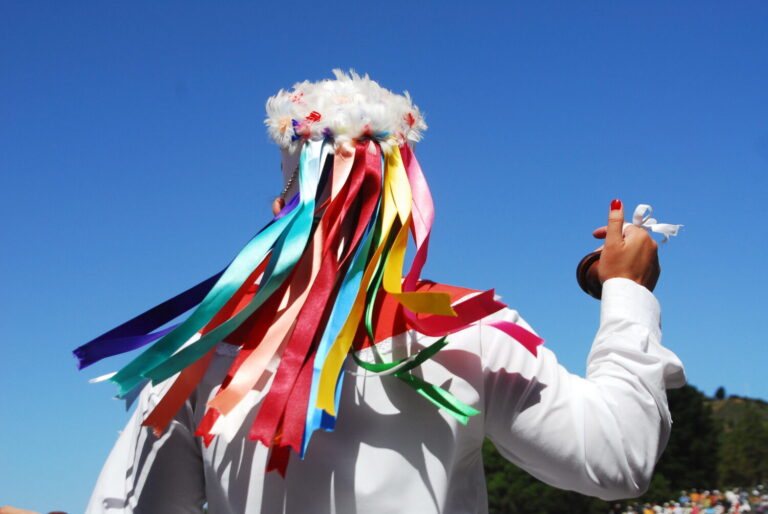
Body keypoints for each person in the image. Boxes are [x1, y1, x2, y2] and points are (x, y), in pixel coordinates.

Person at [77, 71, 684, 513]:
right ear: (405, 205)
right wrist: (627, 290)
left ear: (283, 208)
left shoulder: (196, 359)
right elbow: (617, 459)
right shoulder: (473, 332)